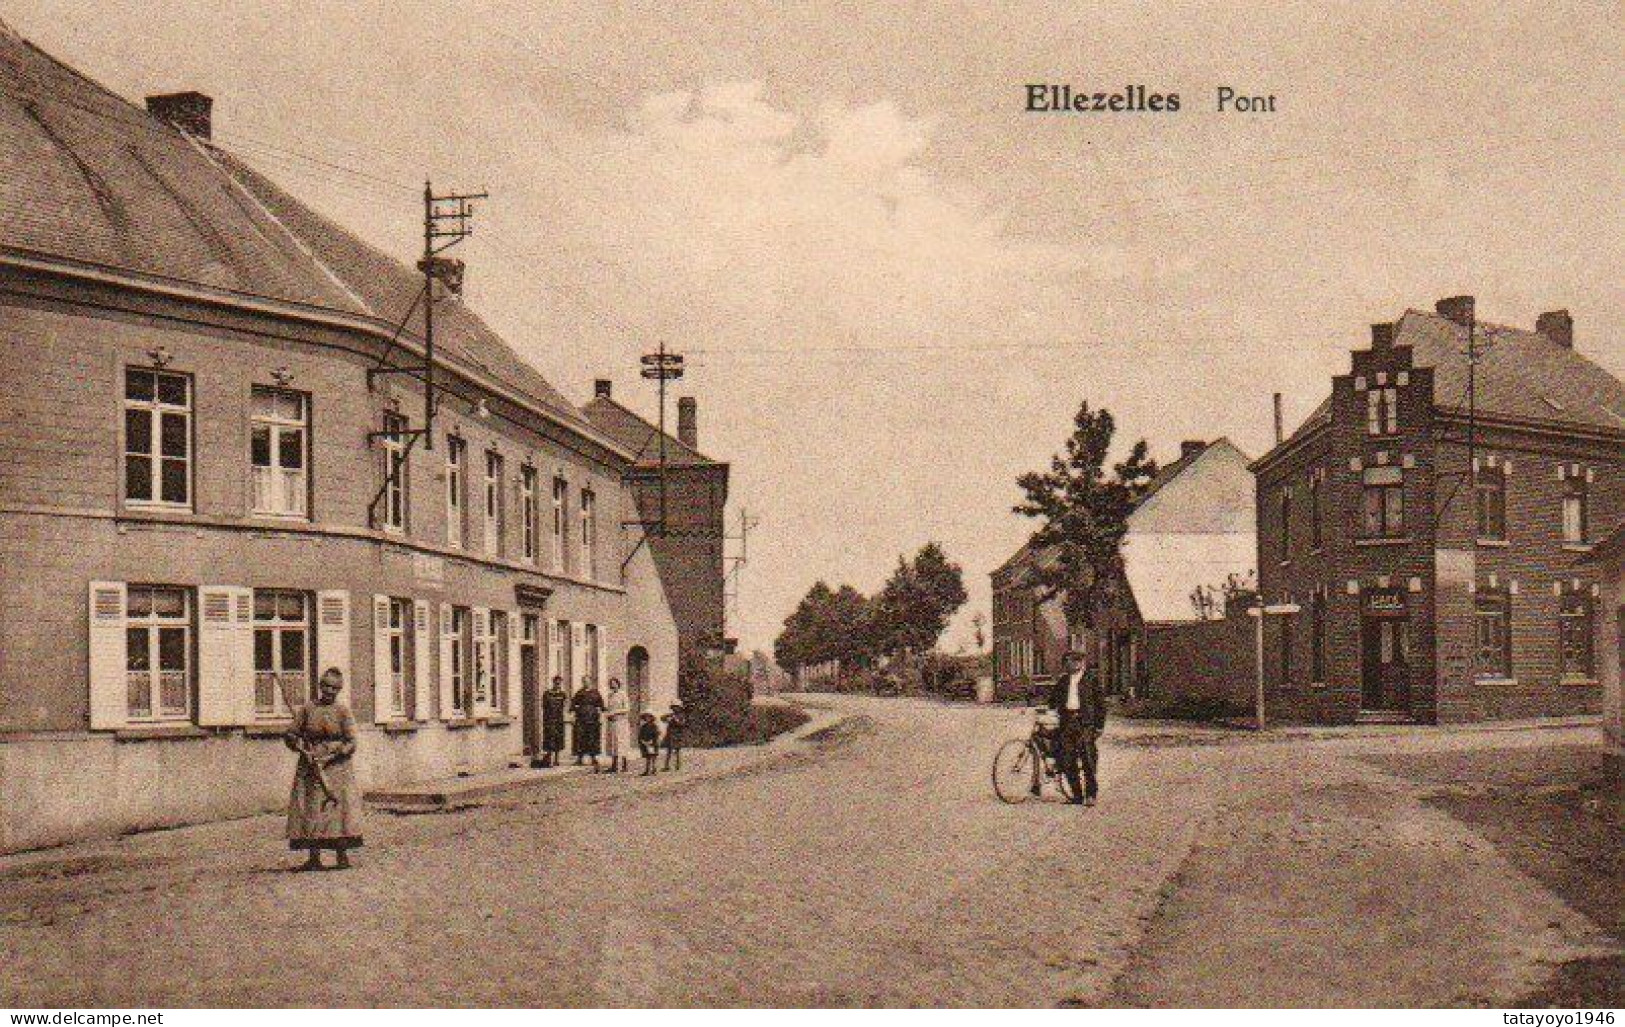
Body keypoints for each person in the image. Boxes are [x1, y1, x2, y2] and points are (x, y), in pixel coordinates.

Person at [284, 667, 363, 870]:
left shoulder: (343, 711)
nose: (329, 690)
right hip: (311, 765)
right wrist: (299, 746)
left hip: (338, 767)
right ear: (320, 686)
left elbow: (352, 741)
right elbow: (291, 734)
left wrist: (335, 754)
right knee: (311, 808)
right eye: (326, 685)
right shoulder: (308, 709)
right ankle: (314, 858)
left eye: (334, 687)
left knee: (338, 810)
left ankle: (342, 856)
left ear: (339, 690)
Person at [1046, 650, 1106, 806]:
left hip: (1085, 723)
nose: (1069, 665)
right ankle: (1077, 795)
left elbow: (1101, 704)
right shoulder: (1064, 681)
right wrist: (1047, 709)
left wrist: (1099, 726)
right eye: (1067, 662)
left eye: (1073, 661)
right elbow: (1052, 700)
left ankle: (1091, 795)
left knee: (1088, 759)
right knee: (1067, 759)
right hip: (1067, 722)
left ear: (1080, 663)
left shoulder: (1091, 680)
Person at [571, 675, 604, 770]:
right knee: (580, 738)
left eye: (587, 681)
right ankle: (579, 758)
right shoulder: (579, 693)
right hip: (581, 719)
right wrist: (574, 712)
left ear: (591, 682)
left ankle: (593, 757)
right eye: (584, 681)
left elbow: (601, 706)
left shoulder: (595, 693)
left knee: (592, 738)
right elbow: (573, 704)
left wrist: (600, 715)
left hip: (593, 719)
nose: (586, 683)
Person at [539, 675, 568, 767]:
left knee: (558, 739)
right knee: (549, 738)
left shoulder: (563, 694)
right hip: (549, 719)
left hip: (559, 719)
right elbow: (544, 706)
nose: (558, 685)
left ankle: (557, 759)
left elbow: (565, 706)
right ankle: (550, 759)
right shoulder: (547, 694)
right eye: (556, 683)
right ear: (553, 683)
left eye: (559, 683)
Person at [604, 677, 630, 774]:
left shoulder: (623, 694)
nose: (612, 685)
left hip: (621, 722)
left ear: (618, 684)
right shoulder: (610, 695)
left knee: (622, 743)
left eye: (614, 683)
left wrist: (615, 712)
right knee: (613, 743)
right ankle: (614, 765)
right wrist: (607, 712)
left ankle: (624, 765)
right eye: (611, 683)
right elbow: (608, 708)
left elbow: (627, 708)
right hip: (612, 722)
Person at [661, 702, 686, 771]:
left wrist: (675, 719)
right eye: (674, 707)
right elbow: (662, 718)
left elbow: (682, 724)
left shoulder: (681, 716)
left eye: (676, 707)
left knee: (677, 751)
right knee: (668, 751)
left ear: (679, 708)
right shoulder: (671, 715)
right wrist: (667, 718)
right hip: (670, 734)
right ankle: (667, 766)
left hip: (677, 735)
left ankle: (678, 765)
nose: (675, 709)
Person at [637, 712, 661, 776]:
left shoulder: (654, 726)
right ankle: (647, 770)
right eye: (646, 717)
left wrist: (652, 741)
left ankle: (654, 770)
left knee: (653, 757)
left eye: (648, 717)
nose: (647, 718)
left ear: (651, 718)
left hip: (652, 744)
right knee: (648, 757)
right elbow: (640, 735)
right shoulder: (643, 726)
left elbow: (657, 734)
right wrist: (642, 741)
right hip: (645, 743)